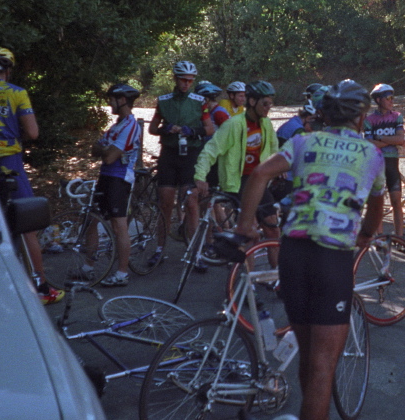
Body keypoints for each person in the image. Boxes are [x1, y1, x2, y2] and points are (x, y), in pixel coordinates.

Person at [233, 79, 385, 420]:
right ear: (362, 117)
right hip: (331, 259)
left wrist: (245, 228)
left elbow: (259, 175)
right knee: (322, 368)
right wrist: (365, 235)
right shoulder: (372, 153)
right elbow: (377, 207)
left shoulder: (302, 141)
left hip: (293, 253)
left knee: (307, 356)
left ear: (323, 114)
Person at [0, 47, 62, 304]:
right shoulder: (16, 93)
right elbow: (33, 132)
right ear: (8, 69)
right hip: (9, 164)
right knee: (27, 225)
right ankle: (40, 288)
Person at [194, 80, 281, 252]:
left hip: (258, 181)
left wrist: (277, 170)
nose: (268, 108)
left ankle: (274, 278)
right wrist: (200, 177)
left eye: (270, 104)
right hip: (237, 181)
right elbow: (209, 151)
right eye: (265, 104)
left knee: (273, 230)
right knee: (250, 232)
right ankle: (243, 276)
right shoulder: (232, 124)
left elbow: (274, 150)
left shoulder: (266, 124)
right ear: (252, 102)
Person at [146, 61, 214, 267]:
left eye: (190, 80)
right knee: (165, 204)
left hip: (190, 155)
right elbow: (151, 128)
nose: (186, 84)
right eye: (183, 80)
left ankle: (195, 252)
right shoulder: (163, 100)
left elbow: (209, 129)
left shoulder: (199, 101)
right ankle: (160, 249)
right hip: (169, 155)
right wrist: (165, 129)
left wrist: (193, 131)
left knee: (191, 204)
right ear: (175, 79)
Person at [87, 84, 143, 287]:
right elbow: (94, 149)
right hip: (105, 177)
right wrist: (104, 149)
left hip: (119, 179)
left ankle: (122, 274)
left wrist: (104, 148)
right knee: (93, 221)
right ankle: (88, 268)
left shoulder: (130, 125)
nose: (109, 102)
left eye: (112, 98)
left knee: (119, 227)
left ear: (122, 100)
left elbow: (109, 157)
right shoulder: (117, 125)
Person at [363, 84, 404, 235]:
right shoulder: (369, 120)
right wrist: (392, 140)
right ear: (379, 100)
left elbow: (401, 139)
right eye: (388, 98)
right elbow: (369, 143)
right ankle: (379, 237)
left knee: (396, 202)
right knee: (377, 203)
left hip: (393, 165)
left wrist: (380, 138)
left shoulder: (397, 116)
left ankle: (400, 238)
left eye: (392, 97)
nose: (392, 101)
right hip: (376, 164)